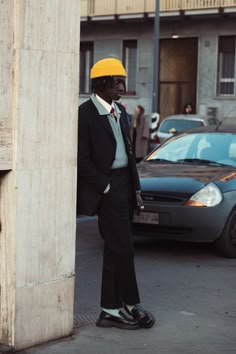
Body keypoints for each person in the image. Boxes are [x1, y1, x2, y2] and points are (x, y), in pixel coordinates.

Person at [77, 57, 155, 330]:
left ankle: (109, 309)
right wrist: (106, 186)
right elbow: (82, 159)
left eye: (123, 82)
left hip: (125, 185)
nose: (123, 87)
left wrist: (136, 189)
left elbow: (131, 156)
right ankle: (131, 304)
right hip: (107, 189)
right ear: (101, 84)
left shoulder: (120, 111)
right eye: (117, 82)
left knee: (114, 250)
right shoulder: (85, 114)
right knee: (124, 249)